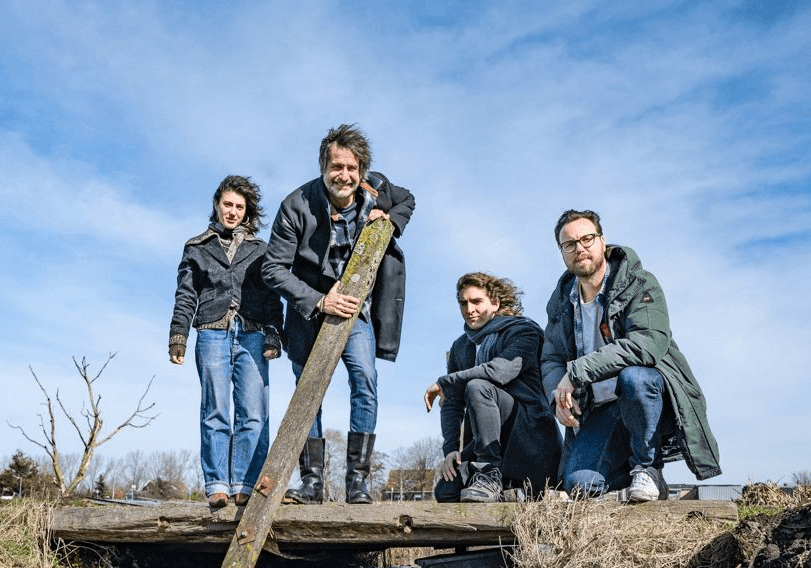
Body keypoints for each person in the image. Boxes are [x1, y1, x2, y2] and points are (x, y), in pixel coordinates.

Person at [262, 124, 415, 504]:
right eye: (336, 167)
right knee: (308, 391)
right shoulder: (295, 205)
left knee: (365, 381)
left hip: (357, 312)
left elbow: (408, 199)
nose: (344, 175)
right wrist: (318, 300)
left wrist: (392, 220)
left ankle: (357, 481)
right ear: (323, 167)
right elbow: (272, 268)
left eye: (351, 167)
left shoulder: (377, 188)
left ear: (361, 170)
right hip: (308, 313)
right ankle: (312, 483)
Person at [541, 209, 721, 501]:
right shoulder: (562, 301)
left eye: (587, 239)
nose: (580, 248)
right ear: (562, 251)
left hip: (647, 398)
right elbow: (550, 358)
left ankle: (648, 468)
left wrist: (575, 373)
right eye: (569, 244)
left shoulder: (639, 283)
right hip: (601, 409)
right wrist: (556, 397)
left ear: (602, 241)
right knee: (579, 486)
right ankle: (623, 474)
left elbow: (647, 343)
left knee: (635, 377)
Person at [168, 175, 284, 510]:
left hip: (252, 332)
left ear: (247, 212)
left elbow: (272, 295)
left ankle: (245, 484)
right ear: (217, 205)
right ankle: (217, 484)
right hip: (211, 332)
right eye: (227, 204)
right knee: (215, 410)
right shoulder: (196, 247)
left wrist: (274, 332)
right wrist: (179, 336)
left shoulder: (261, 251)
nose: (232, 211)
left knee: (253, 413)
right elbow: (185, 295)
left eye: (239, 206)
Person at [425, 273, 561, 502]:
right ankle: (506, 493)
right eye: (463, 303)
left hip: (528, 435)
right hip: (484, 440)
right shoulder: (461, 347)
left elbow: (499, 371)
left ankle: (490, 475)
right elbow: (452, 403)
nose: (469, 309)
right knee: (446, 492)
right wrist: (450, 450)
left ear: (495, 303)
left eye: (477, 301)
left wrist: (446, 382)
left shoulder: (523, 331)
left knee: (478, 386)